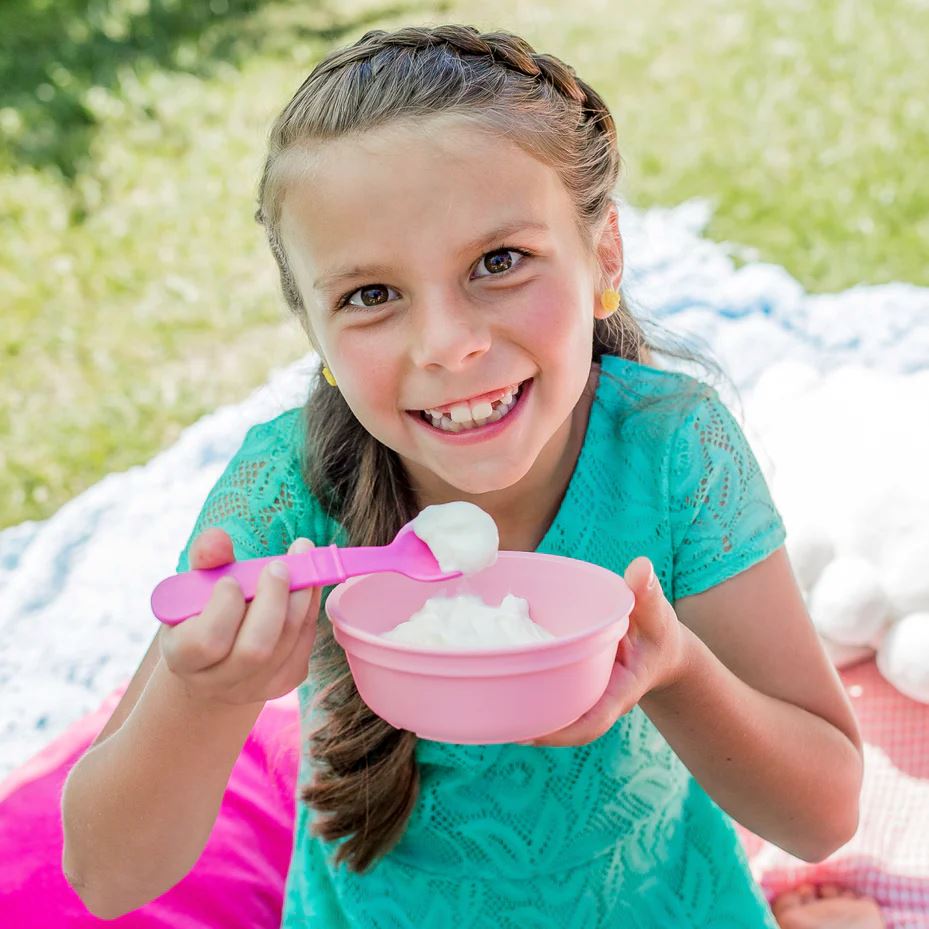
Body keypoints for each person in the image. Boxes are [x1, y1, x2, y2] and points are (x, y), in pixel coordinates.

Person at [61, 24, 875, 928]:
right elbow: (105, 875)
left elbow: (822, 812)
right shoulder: (289, 490)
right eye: (370, 295)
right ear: (315, 333)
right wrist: (203, 696)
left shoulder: (669, 449)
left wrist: (676, 670)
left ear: (603, 257)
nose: (449, 345)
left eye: (498, 262)